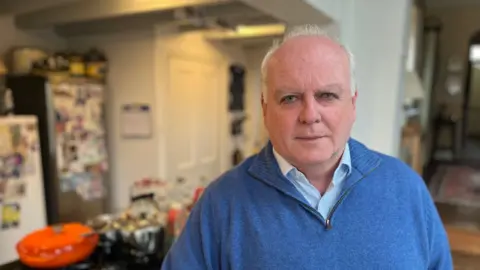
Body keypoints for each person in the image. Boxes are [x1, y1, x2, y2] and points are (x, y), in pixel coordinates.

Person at [161, 24, 453, 270]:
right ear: (265, 109)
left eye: (327, 95)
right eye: (290, 98)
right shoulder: (220, 204)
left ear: (352, 104)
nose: (310, 115)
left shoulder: (407, 188)